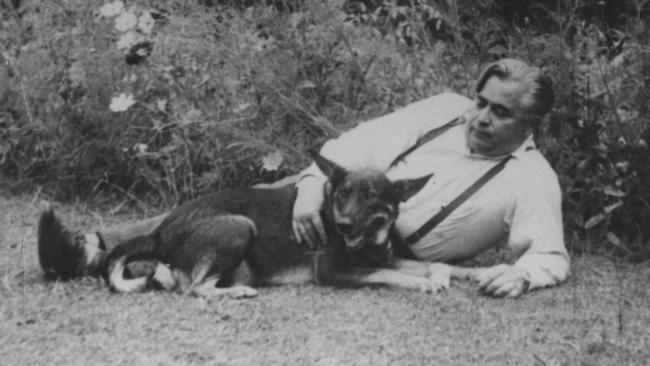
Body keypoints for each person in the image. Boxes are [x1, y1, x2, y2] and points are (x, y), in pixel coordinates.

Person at [39, 58, 569, 298]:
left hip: (382, 245)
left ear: (530, 124)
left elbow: (550, 255)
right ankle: (92, 250)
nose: (479, 116)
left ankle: (118, 259)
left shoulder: (531, 178)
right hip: (326, 199)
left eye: (500, 112)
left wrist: (523, 274)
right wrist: (313, 188)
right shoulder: (443, 109)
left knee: (228, 225)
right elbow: (354, 144)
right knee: (235, 206)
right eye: (481, 101)